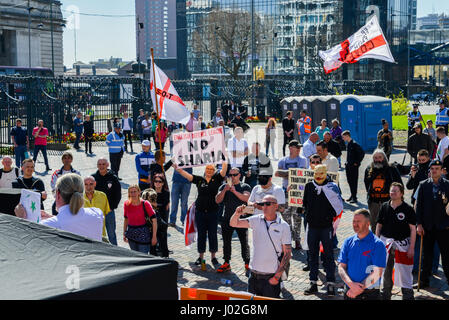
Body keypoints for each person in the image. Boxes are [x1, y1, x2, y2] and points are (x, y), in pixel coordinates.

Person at [230, 195, 292, 299]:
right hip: (253, 275)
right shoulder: (256, 220)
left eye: (267, 204)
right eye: (262, 204)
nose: (264, 206)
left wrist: (277, 277)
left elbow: (287, 253)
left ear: (276, 206)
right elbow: (233, 223)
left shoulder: (284, 226)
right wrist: (237, 213)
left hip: (271, 276)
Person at [14, 173, 104, 241]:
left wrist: (22, 219)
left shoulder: (48, 226)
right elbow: (74, 222)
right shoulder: (97, 213)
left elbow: (25, 243)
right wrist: (52, 217)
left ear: (58, 194)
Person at [173, 161, 228, 267]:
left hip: (213, 212)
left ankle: (213, 257)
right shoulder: (199, 180)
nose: (209, 171)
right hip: (200, 212)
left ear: (214, 171)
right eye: (207, 169)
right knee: (201, 234)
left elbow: (224, 170)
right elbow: (188, 176)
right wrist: (179, 170)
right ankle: (200, 257)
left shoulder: (217, 179)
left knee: (212, 234)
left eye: (211, 169)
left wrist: (224, 160)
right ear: (204, 170)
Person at [303, 164, 342, 296]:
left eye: (321, 173)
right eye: (316, 173)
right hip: (312, 228)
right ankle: (313, 283)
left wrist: (327, 216)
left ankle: (330, 284)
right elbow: (305, 204)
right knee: (312, 256)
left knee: (328, 256)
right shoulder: (309, 186)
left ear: (326, 173)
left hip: (326, 228)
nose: (319, 176)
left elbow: (338, 206)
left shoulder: (332, 187)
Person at [376, 182, 416, 300]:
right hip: (386, 244)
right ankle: (385, 295)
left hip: (403, 245)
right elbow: (378, 226)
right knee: (386, 272)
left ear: (401, 193)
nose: (392, 193)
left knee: (405, 272)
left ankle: (408, 295)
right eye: (391, 191)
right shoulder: (384, 206)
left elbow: (413, 229)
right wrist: (377, 243)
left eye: (395, 191)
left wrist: (412, 248)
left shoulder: (408, 209)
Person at [338, 209, 387, 300]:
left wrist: (359, 288)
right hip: (349, 291)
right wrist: (351, 285)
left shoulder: (377, 244)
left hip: (369, 294)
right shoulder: (348, 242)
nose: (355, 224)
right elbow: (341, 267)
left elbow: (377, 272)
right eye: (354, 221)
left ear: (368, 224)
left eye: (359, 221)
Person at [414, 159, 449, 289]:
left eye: (437, 168)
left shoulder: (447, 185)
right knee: (426, 256)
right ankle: (423, 281)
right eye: (432, 168)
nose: (434, 171)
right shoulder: (423, 185)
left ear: (442, 170)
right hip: (427, 227)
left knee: (446, 257)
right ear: (430, 170)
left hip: (444, 227)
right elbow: (419, 207)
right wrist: (419, 224)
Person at [215, 167, 251, 274]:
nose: (232, 177)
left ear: (239, 175)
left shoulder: (245, 186)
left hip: (241, 219)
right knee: (226, 242)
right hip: (227, 218)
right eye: (230, 175)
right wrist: (225, 190)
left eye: (234, 175)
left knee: (244, 242)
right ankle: (226, 263)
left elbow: (246, 198)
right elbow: (217, 200)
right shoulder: (223, 186)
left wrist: (234, 191)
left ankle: (247, 263)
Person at [275, 140, 308, 250]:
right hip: (285, 192)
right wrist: (293, 172)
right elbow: (277, 173)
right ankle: (288, 239)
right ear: (290, 148)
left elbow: (301, 173)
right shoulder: (283, 160)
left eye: (299, 147)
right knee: (286, 217)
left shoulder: (302, 159)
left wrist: (285, 173)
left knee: (297, 217)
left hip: (298, 193)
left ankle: (297, 240)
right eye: (296, 147)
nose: (299, 149)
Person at [363, 149, 402, 232]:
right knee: (374, 224)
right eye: (375, 158)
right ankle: (376, 242)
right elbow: (367, 184)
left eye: (380, 157)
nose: (377, 160)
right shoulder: (369, 169)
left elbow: (399, 184)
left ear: (384, 158)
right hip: (374, 202)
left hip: (388, 202)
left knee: (389, 223)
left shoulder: (391, 169)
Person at [92, 158, 122, 246]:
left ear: (107, 165)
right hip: (96, 212)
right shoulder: (93, 178)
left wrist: (112, 207)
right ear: (97, 165)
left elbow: (118, 194)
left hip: (109, 211)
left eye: (103, 164)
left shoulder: (113, 178)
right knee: (97, 234)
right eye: (99, 164)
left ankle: (115, 253)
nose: (101, 166)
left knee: (111, 234)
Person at [123, 185, 157, 254]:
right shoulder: (126, 204)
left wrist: (154, 237)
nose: (133, 194)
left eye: (135, 191)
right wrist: (124, 233)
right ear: (129, 193)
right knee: (135, 257)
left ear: (139, 192)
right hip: (131, 234)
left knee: (143, 257)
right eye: (131, 192)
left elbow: (154, 220)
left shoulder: (145, 204)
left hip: (143, 234)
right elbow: (126, 219)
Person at [83, 176, 111, 242]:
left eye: (91, 184)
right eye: (86, 184)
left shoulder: (102, 196)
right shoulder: (78, 198)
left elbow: (106, 213)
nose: (88, 187)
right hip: (85, 236)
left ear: (95, 184)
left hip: (101, 235)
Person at [149, 173, 170, 258]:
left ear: (163, 183)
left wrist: (154, 204)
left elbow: (164, 205)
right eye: (155, 181)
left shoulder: (166, 192)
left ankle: (165, 257)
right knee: (152, 239)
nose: (157, 183)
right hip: (152, 219)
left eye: (159, 181)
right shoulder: (150, 192)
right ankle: (152, 258)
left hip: (162, 218)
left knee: (163, 239)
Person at [342, 130, 365, 204]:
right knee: (349, 181)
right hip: (348, 166)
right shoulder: (348, 144)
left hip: (353, 167)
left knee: (354, 182)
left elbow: (362, 153)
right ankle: (352, 195)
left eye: (343, 137)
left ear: (347, 136)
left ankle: (354, 198)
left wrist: (357, 163)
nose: (343, 138)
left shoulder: (354, 144)